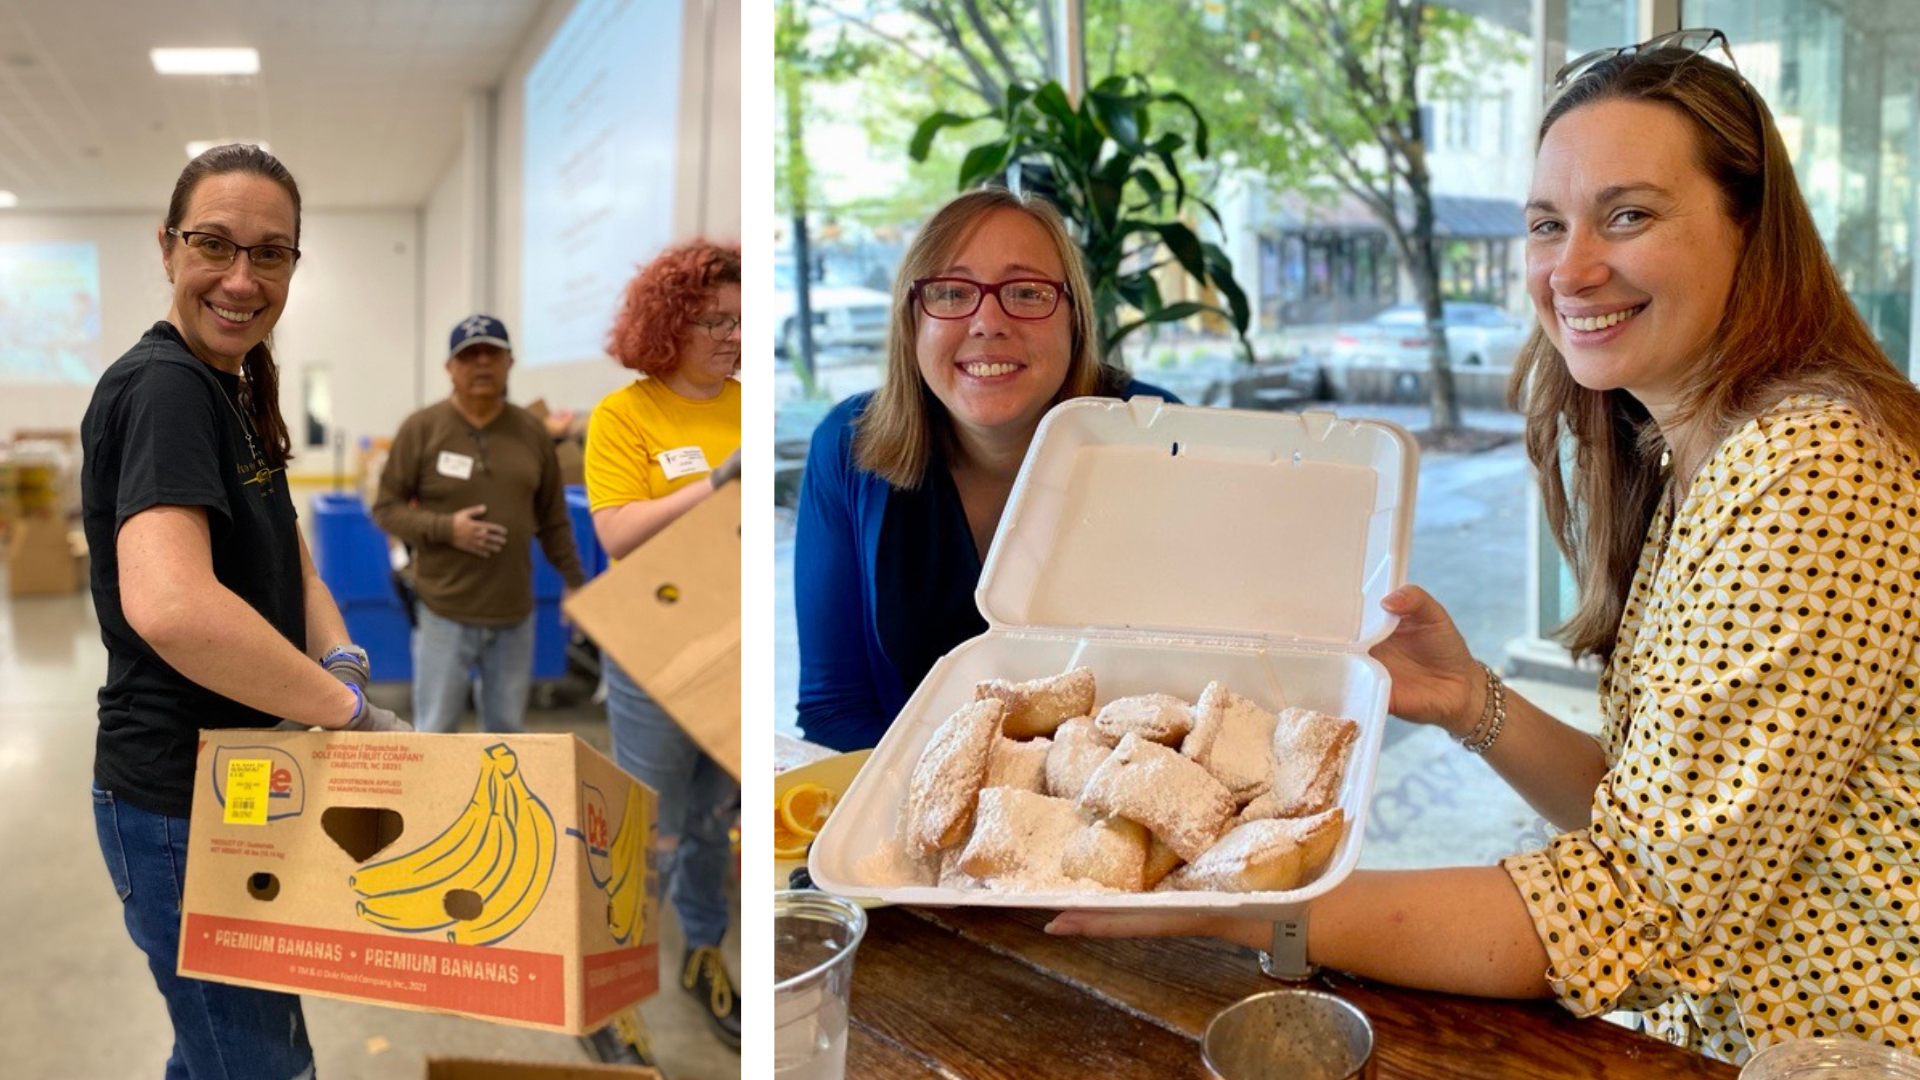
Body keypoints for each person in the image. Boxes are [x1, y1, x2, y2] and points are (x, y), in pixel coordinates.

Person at [1048, 31, 1920, 1065]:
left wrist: (1235, 901)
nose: (1572, 268)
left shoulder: (1811, 467)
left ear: (1751, 229)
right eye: (1548, 225)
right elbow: (1660, 823)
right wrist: (1469, 701)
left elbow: (1624, 906)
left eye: (1628, 215)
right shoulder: (1702, 453)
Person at [80, 143, 409, 1080]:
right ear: (166, 248)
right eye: (214, 245)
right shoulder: (165, 387)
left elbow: (289, 557)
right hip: (177, 804)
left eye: (271, 253)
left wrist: (340, 659)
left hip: (237, 782)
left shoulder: (235, 383)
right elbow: (174, 607)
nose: (241, 278)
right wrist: (345, 712)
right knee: (259, 1064)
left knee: (230, 1050)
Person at [794, 187, 1175, 750]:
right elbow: (835, 707)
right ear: (911, 319)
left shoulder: (1157, 439)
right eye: (951, 292)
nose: (988, 321)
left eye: (1027, 291)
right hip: (906, 811)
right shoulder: (849, 449)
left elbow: (1198, 685)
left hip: (1107, 808)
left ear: (1074, 317)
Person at [581, 240, 742, 1061]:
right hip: (654, 643)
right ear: (668, 323)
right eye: (713, 319)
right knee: (645, 825)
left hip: (734, 645)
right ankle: (611, 992)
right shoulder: (627, 415)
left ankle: (705, 954)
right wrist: (712, 486)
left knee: (716, 816)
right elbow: (615, 535)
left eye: (740, 322)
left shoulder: (753, 406)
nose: (730, 336)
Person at [371, 314, 588, 733]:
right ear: (450, 368)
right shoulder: (422, 428)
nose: (482, 364)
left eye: (493, 353)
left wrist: (574, 580)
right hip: (443, 610)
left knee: (507, 731)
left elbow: (553, 518)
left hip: (513, 613)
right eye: (469, 355)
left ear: (509, 362)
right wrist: (446, 528)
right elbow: (386, 508)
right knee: (436, 729)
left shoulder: (532, 432)